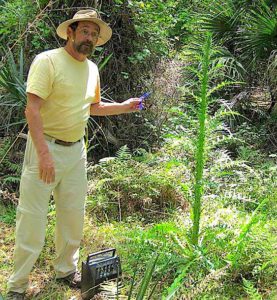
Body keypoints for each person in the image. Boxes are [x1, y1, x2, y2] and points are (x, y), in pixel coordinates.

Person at [6, 9, 142, 300]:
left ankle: (65, 270)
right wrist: (43, 153)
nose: (89, 38)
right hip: (45, 148)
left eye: (94, 34)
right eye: (84, 32)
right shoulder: (48, 61)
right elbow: (32, 109)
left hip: (76, 151)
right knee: (32, 219)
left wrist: (124, 105)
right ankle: (17, 286)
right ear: (70, 32)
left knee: (72, 216)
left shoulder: (92, 68)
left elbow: (93, 107)